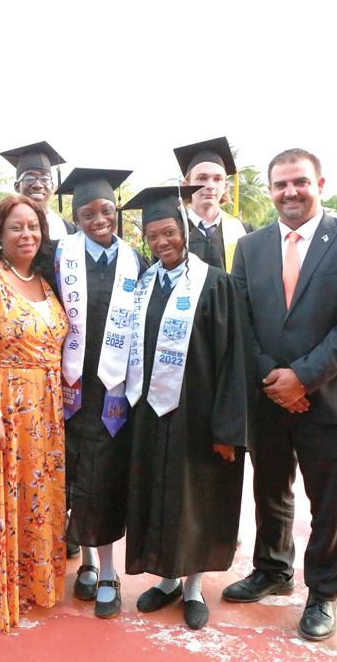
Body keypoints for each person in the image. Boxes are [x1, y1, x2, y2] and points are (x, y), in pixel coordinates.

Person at [223, 149, 337, 641]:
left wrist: (304, 379)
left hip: (332, 399)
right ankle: (272, 569)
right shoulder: (251, 247)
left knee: (330, 502)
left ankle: (323, 592)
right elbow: (242, 320)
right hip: (268, 396)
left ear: (320, 184)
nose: (290, 192)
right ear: (269, 190)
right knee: (270, 489)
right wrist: (275, 377)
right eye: (280, 184)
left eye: (300, 182)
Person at [121, 186, 249, 630]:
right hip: (153, 415)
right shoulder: (144, 285)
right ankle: (168, 579)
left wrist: (228, 428)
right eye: (153, 236)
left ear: (185, 232)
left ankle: (193, 588)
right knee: (159, 494)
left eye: (170, 232)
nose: (162, 243)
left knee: (196, 499)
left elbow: (235, 360)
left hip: (198, 416)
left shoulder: (216, 283)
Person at [0, 194, 69, 633]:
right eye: (17, 227)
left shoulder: (44, 280)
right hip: (1, 407)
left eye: (34, 227)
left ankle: (33, 582)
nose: (27, 235)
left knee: (38, 497)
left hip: (45, 408)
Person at [53, 168, 150, 617]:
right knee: (71, 478)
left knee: (104, 481)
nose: (98, 219)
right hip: (66, 387)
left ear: (116, 212)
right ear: (74, 217)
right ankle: (86, 564)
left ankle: (108, 571)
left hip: (114, 390)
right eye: (87, 213)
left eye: (106, 210)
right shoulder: (56, 258)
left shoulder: (137, 262)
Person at [173, 136, 253, 272]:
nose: (210, 186)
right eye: (202, 178)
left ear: (226, 186)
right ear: (186, 186)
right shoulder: (172, 232)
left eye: (218, 179)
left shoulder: (244, 232)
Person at [0, 141, 77, 241]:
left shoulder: (70, 232)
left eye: (45, 179)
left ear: (52, 186)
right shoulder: (1, 227)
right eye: (29, 178)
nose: (38, 185)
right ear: (17, 186)